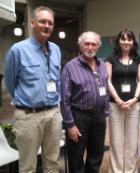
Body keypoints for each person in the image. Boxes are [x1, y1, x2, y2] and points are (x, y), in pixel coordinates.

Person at [4, 6, 62, 173]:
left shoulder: (56, 50)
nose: (47, 26)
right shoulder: (18, 50)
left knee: (52, 163)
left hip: (53, 114)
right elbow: (10, 82)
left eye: (50, 23)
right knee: (28, 167)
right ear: (32, 23)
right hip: (29, 117)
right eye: (42, 21)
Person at [60, 31, 109, 173]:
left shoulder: (102, 65)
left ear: (98, 46)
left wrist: (105, 112)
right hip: (79, 117)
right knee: (76, 156)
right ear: (81, 45)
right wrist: (70, 125)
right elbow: (64, 99)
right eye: (86, 43)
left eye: (93, 44)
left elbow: (105, 87)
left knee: (96, 154)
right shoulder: (70, 67)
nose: (90, 47)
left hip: (99, 117)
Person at [106, 29, 140, 173]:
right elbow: (107, 80)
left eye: (129, 39)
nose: (126, 42)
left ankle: (130, 170)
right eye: (123, 39)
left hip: (133, 106)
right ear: (119, 41)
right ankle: (116, 170)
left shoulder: (138, 59)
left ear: (133, 42)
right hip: (115, 105)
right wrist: (118, 100)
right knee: (116, 141)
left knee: (132, 142)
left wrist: (134, 99)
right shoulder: (111, 58)